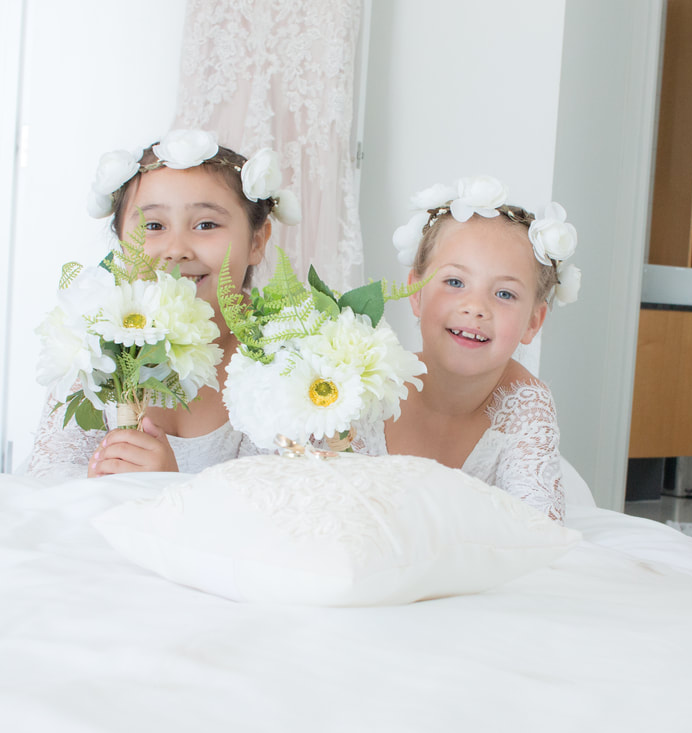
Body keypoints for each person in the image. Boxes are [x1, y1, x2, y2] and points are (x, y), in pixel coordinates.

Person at [27, 129, 300, 479]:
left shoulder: (291, 366)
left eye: (205, 224)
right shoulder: (92, 351)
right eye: (154, 225)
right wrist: (99, 488)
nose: (176, 249)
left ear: (257, 241)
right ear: (123, 244)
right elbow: (50, 492)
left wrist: (167, 491)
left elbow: (300, 513)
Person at [343, 176, 581, 522]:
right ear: (416, 291)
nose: (475, 307)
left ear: (534, 321)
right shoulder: (364, 382)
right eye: (455, 282)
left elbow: (538, 533)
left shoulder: (525, 406)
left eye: (504, 294)